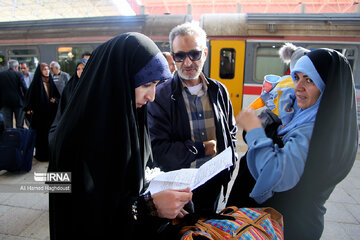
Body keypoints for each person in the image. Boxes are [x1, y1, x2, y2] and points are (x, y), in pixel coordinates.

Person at [48, 32, 192, 240]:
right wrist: (150, 207)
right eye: (145, 85)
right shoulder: (72, 138)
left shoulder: (131, 120)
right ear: (119, 80)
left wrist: (166, 198)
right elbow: (80, 217)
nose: (151, 96)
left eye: (156, 85)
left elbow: (133, 186)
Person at [226, 48, 358, 239]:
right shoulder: (322, 121)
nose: (298, 87)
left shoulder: (311, 132)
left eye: (310, 80)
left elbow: (275, 173)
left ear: (327, 86)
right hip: (294, 221)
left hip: (285, 227)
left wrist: (255, 129)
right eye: (297, 77)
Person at [147, 23, 237, 213]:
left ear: (204, 53)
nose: (188, 63)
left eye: (194, 54)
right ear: (173, 57)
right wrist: (201, 149)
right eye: (180, 56)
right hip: (178, 193)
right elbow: (159, 149)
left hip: (214, 186)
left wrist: (231, 161)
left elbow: (231, 132)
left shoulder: (219, 90)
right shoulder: (160, 96)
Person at [24, 63, 60, 162]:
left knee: (50, 135)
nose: (47, 71)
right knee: (41, 137)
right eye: (44, 69)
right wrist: (29, 109)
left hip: (50, 115)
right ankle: (41, 155)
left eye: (48, 69)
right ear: (40, 71)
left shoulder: (51, 82)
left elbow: (58, 97)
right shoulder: (36, 84)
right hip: (40, 116)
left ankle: (50, 155)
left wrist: (55, 100)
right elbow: (29, 98)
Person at [0, 60, 27, 128]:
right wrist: (26, 100)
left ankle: (9, 137)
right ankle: (19, 137)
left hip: (5, 103)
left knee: (7, 125)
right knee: (19, 124)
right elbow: (24, 88)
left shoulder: (1, 75)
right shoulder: (19, 74)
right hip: (18, 102)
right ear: (16, 67)